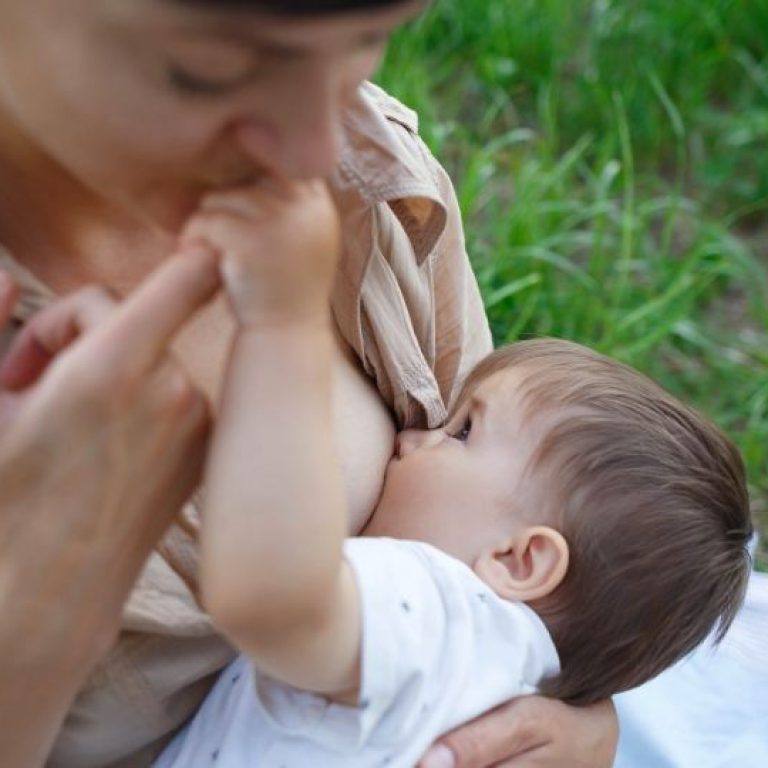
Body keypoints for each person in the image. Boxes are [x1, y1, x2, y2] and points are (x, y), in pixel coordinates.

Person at [0, 1, 617, 766]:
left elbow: (544, 527)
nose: (315, 148)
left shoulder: (370, 172)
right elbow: (272, 603)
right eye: (208, 71)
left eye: (367, 41)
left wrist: (579, 715)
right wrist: (32, 617)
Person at [153, 178, 752, 767]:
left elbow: (269, 601)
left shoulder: (440, 608)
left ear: (520, 561)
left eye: (462, 431)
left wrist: (278, 332)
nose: (413, 437)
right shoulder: (521, 678)